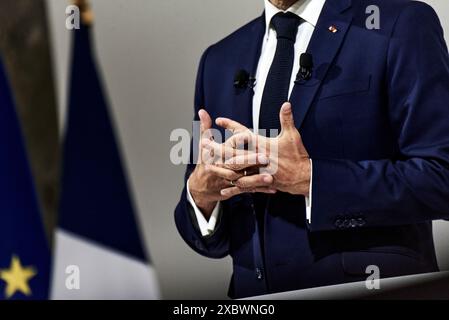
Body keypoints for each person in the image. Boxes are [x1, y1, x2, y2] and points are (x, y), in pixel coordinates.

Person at [175, 0, 449, 298]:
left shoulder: (399, 24)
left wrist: (310, 178)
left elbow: (441, 177)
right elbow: (205, 236)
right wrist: (200, 195)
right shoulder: (218, 59)